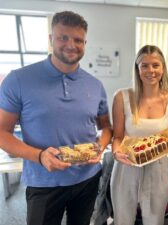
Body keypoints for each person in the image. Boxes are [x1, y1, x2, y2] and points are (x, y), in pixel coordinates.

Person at [0, 11, 112, 225]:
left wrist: (100, 146)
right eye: (63, 37)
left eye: (78, 40)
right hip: (43, 181)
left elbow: (106, 127)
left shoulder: (95, 85)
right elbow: (2, 133)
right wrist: (40, 156)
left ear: (85, 42)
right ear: (51, 39)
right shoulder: (18, 80)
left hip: (87, 179)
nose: (71, 45)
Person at [110, 45, 168, 225]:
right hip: (127, 165)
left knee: (155, 219)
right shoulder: (122, 97)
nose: (151, 71)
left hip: (157, 167)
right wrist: (116, 152)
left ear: (163, 68)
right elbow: (117, 137)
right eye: (145, 65)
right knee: (123, 219)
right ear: (137, 69)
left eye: (155, 65)